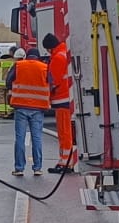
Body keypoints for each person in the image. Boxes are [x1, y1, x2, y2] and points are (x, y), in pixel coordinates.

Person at [8, 46, 50, 177]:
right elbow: (52, 84)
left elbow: (8, 81)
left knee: (20, 138)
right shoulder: (45, 67)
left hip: (20, 106)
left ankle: (19, 168)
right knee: (37, 138)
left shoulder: (19, 65)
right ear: (38, 57)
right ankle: (37, 168)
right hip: (38, 108)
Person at [43, 32, 76, 171]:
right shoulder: (64, 54)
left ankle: (65, 162)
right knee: (67, 132)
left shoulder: (57, 58)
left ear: (50, 47)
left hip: (61, 100)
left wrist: (46, 95)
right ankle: (66, 161)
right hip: (67, 99)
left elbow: (53, 81)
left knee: (64, 133)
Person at [0, 49, 15, 118]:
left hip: (0, 84)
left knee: (0, 97)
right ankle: (9, 112)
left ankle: (1, 112)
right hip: (10, 84)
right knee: (8, 97)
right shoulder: (14, 62)